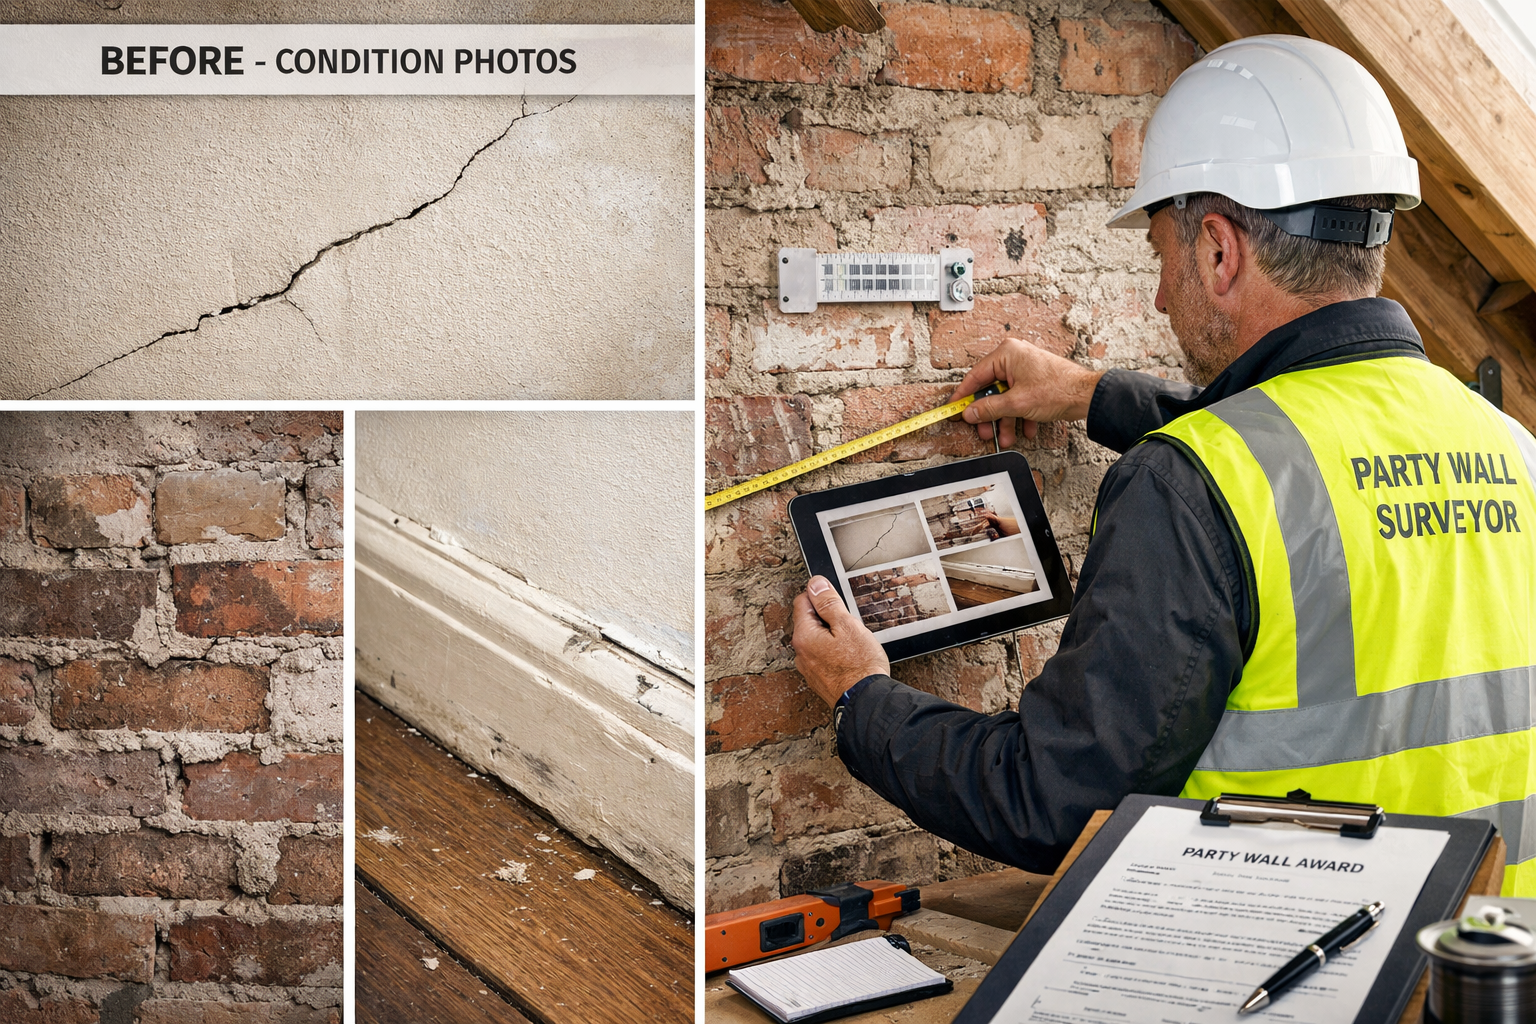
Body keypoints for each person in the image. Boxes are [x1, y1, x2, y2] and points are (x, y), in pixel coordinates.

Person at [788, 35, 1536, 895]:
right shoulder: (1509, 445)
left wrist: (861, 700)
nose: (1159, 296)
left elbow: (1051, 801)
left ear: (1219, 250)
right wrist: (1090, 394)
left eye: (1161, 259)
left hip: (1284, 974)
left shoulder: (1187, 485)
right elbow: (1297, 465)